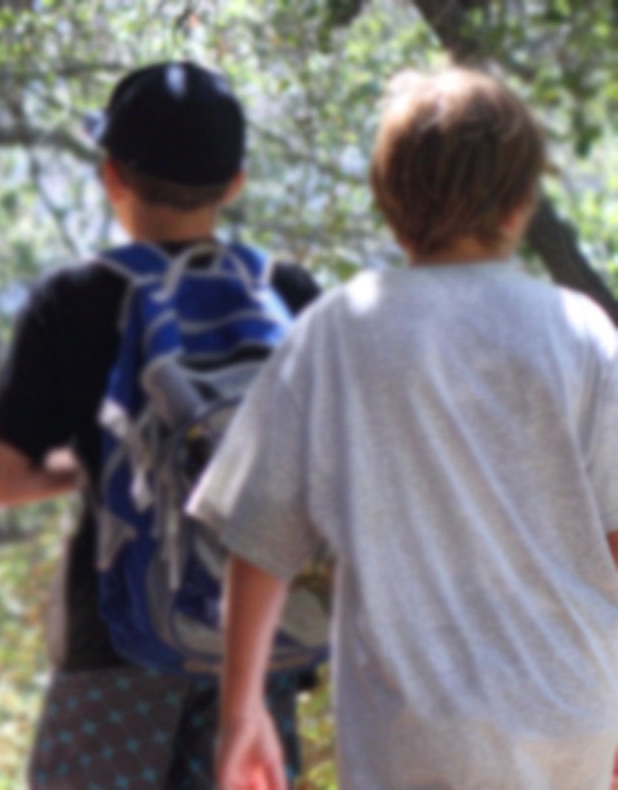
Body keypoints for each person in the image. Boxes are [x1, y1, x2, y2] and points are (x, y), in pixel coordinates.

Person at [200, 67, 618, 789]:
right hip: (570, 715)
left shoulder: (339, 330)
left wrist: (242, 711)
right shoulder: (577, 329)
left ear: (390, 204)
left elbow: (259, 538)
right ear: (522, 201)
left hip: (414, 736)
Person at [0, 61, 321, 788]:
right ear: (235, 184)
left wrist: (98, 457)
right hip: (262, 654)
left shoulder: (73, 298)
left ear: (111, 177)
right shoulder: (289, 294)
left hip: (114, 648)